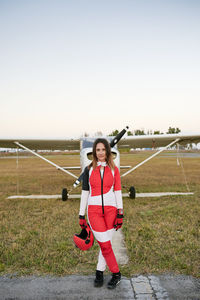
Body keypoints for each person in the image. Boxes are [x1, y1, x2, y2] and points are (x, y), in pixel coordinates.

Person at [78, 138, 124, 289]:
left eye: (103, 149)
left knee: (105, 245)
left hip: (111, 212)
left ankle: (99, 272)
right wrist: (81, 215)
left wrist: (120, 213)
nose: (101, 152)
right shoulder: (88, 169)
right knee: (105, 244)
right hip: (94, 212)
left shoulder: (114, 169)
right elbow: (85, 193)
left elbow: (117, 191)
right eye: (98, 150)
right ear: (94, 152)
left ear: (107, 151)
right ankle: (116, 274)